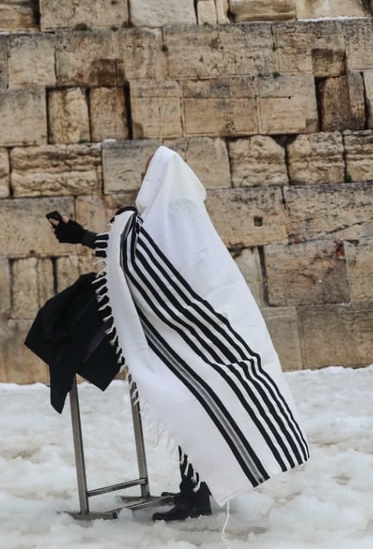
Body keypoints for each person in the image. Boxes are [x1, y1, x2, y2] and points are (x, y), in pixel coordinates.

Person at [48, 146, 309, 521]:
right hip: (199, 335)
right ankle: (194, 488)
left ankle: (197, 496)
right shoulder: (176, 217)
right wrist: (84, 236)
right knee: (194, 409)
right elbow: (140, 254)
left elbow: (143, 259)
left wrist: (105, 230)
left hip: (196, 336)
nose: (143, 180)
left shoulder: (172, 217)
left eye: (147, 173)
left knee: (195, 408)